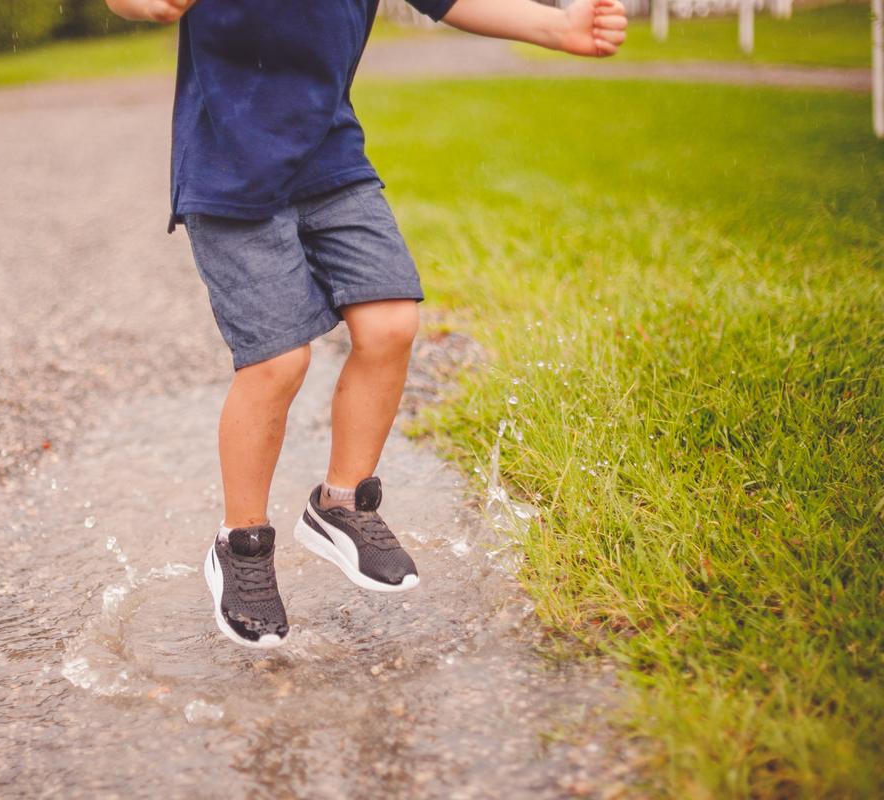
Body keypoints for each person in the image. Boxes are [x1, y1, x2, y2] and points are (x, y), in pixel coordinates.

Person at [104, 0, 627, 649]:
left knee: (391, 323)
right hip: (228, 172)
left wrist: (560, 27)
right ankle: (240, 544)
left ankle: (341, 504)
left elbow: (458, 2)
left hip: (331, 164)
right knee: (278, 360)